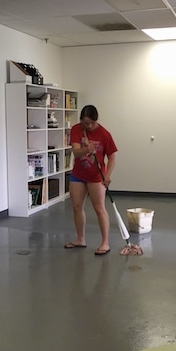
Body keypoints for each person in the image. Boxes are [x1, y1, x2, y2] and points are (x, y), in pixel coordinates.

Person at [64, 105, 118, 255]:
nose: (88, 126)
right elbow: (76, 153)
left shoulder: (104, 134)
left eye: (91, 123)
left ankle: (105, 243)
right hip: (78, 175)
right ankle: (81, 239)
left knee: (99, 208)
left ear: (96, 120)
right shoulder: (76, 129)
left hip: (96, 177)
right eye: (85, 123)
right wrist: (87, 149)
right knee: (76, 206)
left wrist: (107, 176)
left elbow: (112, 157)